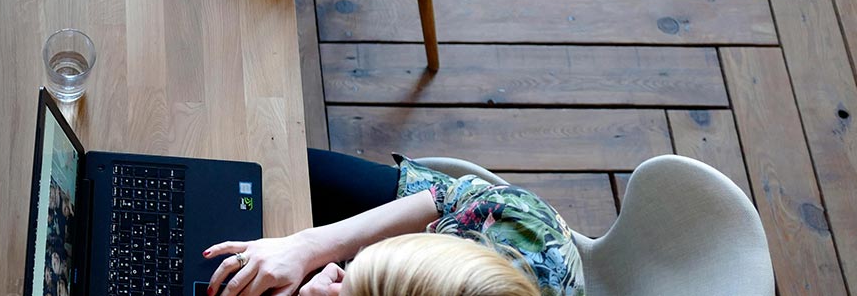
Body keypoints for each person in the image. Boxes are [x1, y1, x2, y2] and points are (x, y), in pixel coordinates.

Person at [203, 151, 581, 296]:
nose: (329, 282)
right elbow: (442, 198)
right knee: (277, 168)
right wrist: (307, 246)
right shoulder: (515, 219)